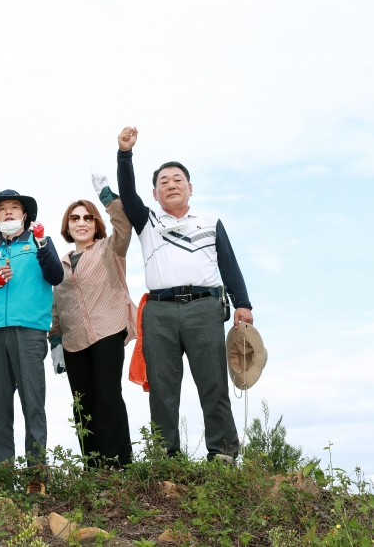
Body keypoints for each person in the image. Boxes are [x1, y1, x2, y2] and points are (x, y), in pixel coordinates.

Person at [116, 126, 254, 462]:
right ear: (154, 193)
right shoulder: (146, 221)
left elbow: (229, 264)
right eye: (163, 181)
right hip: (159, 311)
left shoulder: (209, 221)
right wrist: (125, 154)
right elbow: (127, 192)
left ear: (190, 188)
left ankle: (223, 452)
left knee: (213, 382)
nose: (171, 185)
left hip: (204, 307)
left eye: (178, 179)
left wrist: (243, 304)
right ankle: (165, 456)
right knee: (162, 387)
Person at [0, 190, 63, 496]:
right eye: (2, 209)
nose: (8, 212)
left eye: (14, 208)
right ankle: (2, 477)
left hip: (29, 331)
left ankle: (37, 477)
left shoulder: (39, 243)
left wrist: (42, 243)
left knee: (33, 404)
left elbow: (56, 275)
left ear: (24, 215)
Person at [49, 175, 138, 469]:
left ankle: (119, 465)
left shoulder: (110, 248)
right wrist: (55, 341)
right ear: (67, 226)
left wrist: (108, 198)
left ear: (96, 223)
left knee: (108, 395)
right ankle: (93, 469)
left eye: (88, 218)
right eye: (75, 218)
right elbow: (57, 307)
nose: (81, 223)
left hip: (107, 330)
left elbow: (124, 226)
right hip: (74, 340)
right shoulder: (60, 265)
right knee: (82, 403)